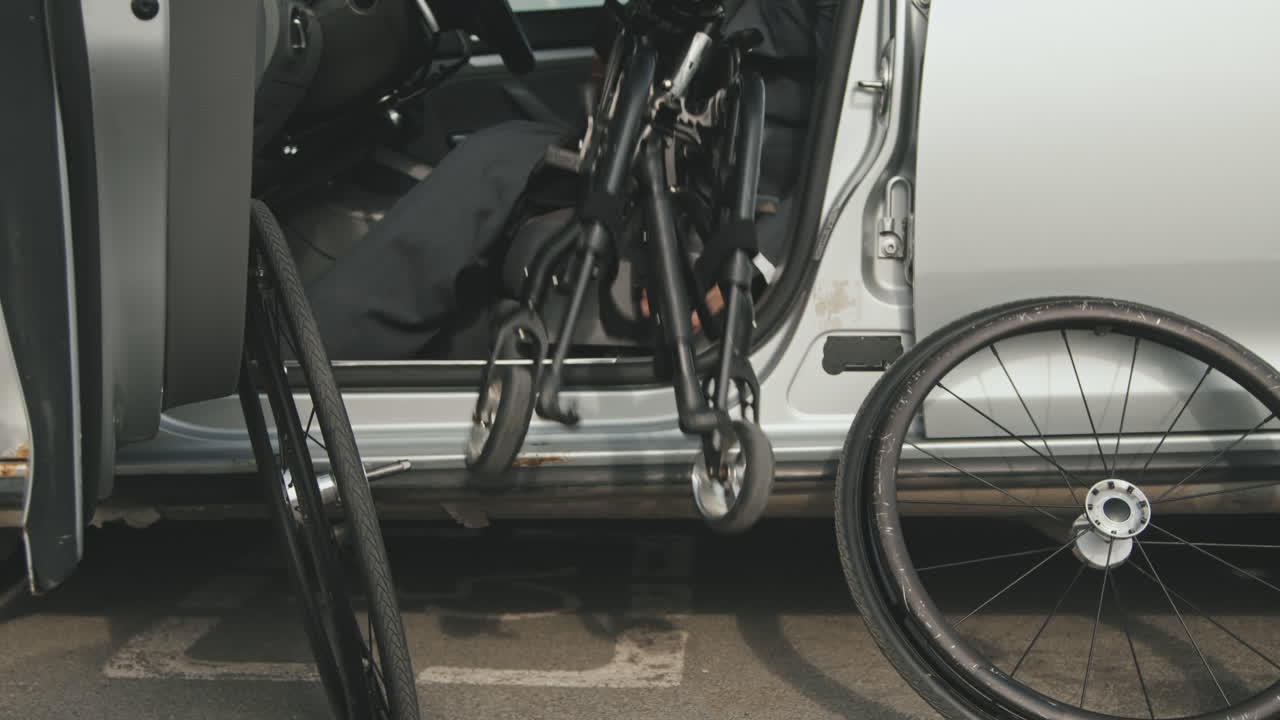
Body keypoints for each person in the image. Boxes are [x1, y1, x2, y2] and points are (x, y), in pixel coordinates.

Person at [306, 0, 836, 360]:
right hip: (660, 161)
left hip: (742, 206)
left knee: (495, 165)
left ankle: (296, 375)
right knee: (503, 162)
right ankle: (330, 376)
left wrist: (754, 263)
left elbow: (847, 137)